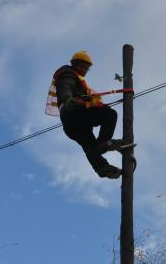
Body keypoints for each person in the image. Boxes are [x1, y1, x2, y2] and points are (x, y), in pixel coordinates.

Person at [46, 51, 124, 179]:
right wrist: (68, 99)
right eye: (82, 66)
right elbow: (66, 86)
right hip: (73, 112)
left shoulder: (79, 80)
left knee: (89, 144)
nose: (85, 70)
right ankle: (104, 142)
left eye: (87, 68)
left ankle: (103, 169)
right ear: (74, 64)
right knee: (109, 114)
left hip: (71, 123)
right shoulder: (68, 73)